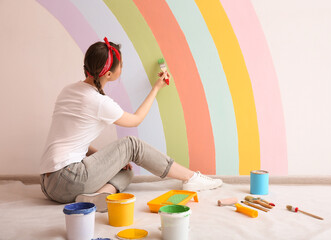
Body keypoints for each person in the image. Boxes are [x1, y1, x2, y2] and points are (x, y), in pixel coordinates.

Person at [39, 37, 222, 212]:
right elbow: (136, 120)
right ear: (109, 74)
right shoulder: (98, 102)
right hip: (68, 179)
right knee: (132, 145)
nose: (123, 68)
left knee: (126, 172)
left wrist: (115, 161)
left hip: (48, 185)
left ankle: (98, 196)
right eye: (122, 65)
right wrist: (156, 88)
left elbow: (76, 142)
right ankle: (191, 178)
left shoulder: (69, 90)